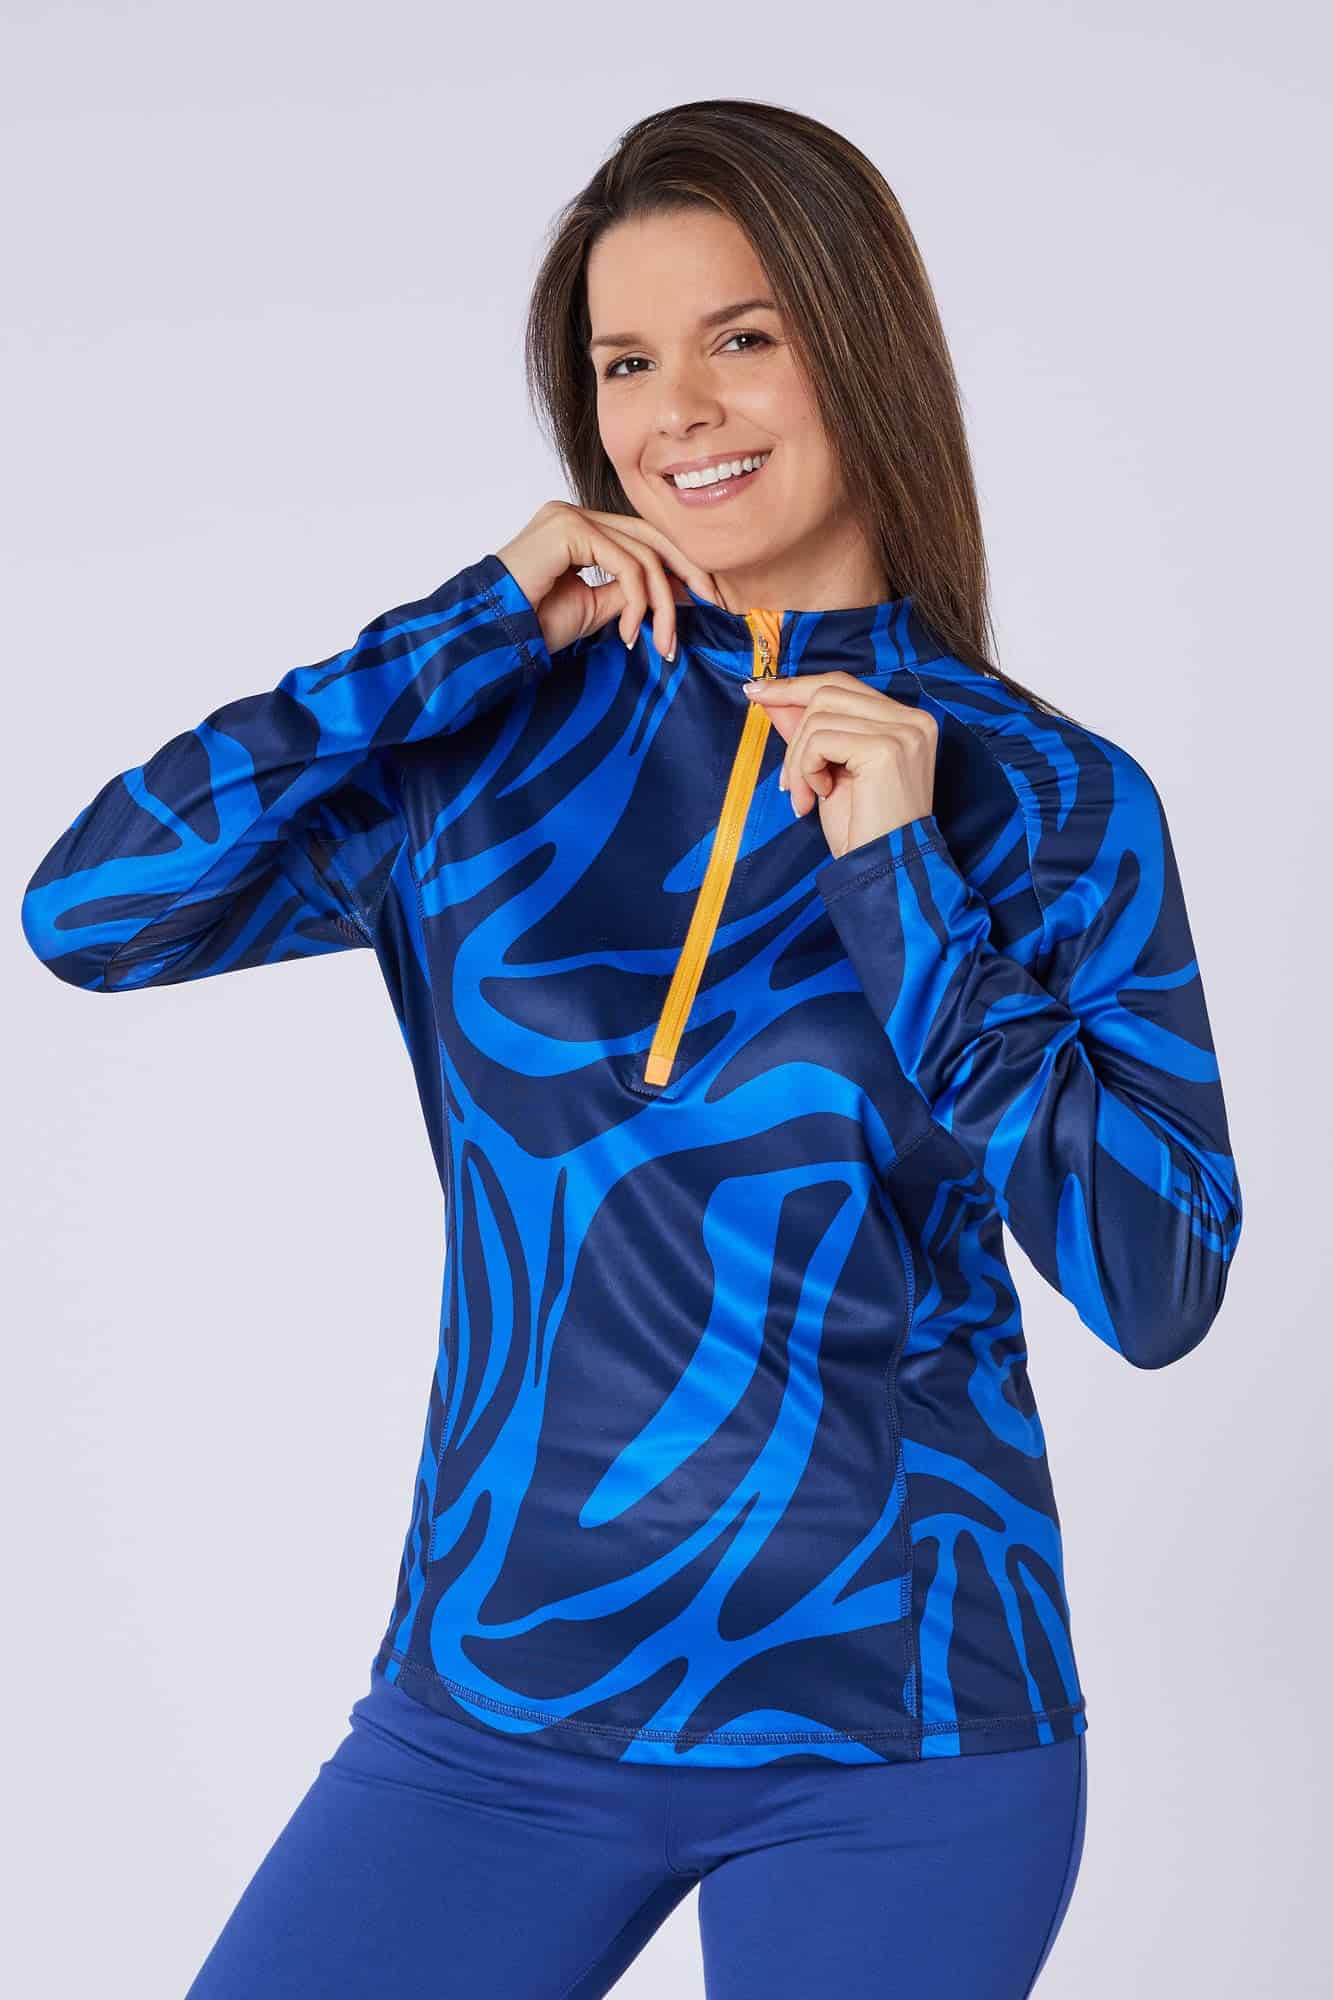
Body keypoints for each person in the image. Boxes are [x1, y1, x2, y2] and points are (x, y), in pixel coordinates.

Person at [19, 97, 1241, 1999]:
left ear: (860, 345)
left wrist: (904, 889)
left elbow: (1158, 1283)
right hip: (493, 1711)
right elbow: (95, 912)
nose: (680, 409)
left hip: (905, 1727)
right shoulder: (487, 742)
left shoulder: (1046, 798)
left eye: (741, 335)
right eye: (624, 362)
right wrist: (463, 625)